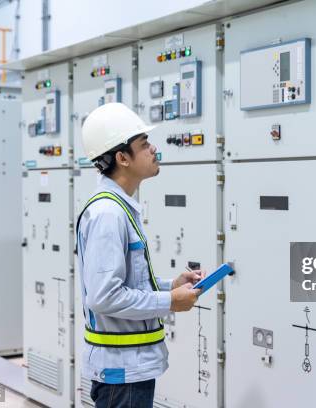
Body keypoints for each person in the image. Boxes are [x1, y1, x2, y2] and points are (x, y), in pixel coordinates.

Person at [76, 103, 204, 408]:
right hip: (123, 370)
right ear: (122, 158)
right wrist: (170, 302)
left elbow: (128, 280)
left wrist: (170, 285)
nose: (153, 149)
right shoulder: (108, 214)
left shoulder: (117, 208)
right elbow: (104, 296)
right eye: (144, 145)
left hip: (130, 366)